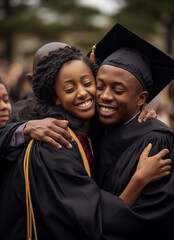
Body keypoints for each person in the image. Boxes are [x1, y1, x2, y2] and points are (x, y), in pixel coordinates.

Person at [10, 23, 174, 239]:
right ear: (56, 97)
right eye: (100, 85)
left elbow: (149, 220)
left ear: (141, 98)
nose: (104, 96)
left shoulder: (155, 141)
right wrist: (27, 126)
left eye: (118, 90)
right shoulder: (65, 134)